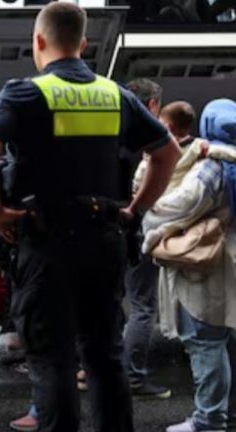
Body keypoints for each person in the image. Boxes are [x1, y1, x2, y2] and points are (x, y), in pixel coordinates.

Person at [0, 4, 181, 432]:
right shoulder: (115, 94)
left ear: (38, 40)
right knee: (105, 357)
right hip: (104, 237)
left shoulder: (24, 93)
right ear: (83, 44)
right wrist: (134, 209)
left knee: (53, 360)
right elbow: (167, 152)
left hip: (47, 243)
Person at [142, 99, 236, 432]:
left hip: (207, 268)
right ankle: (225, 414)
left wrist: (148, 210)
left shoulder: (214, 167)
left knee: (205, 343)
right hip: (229, 262)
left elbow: (181, 205)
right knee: (225, 342)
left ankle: (209, 419)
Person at [119, 77, 174, 400]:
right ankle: (133, 377)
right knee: (142, 305)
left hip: (108, 227)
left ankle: (91, 368)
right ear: (153, 105)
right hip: (139, 228)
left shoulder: (112, 131)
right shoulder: (152, 139)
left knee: (110, 301)